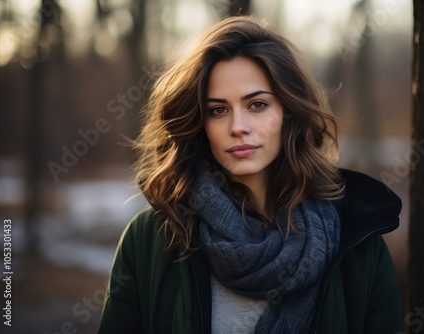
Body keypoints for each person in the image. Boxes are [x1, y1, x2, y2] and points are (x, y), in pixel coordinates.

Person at [98, 15, 403, 334]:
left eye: (257, 105)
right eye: (218, 110)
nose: (238, 127)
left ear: (288, 112)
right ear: (201, 124)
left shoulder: (357, 243)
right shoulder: (151, 239)